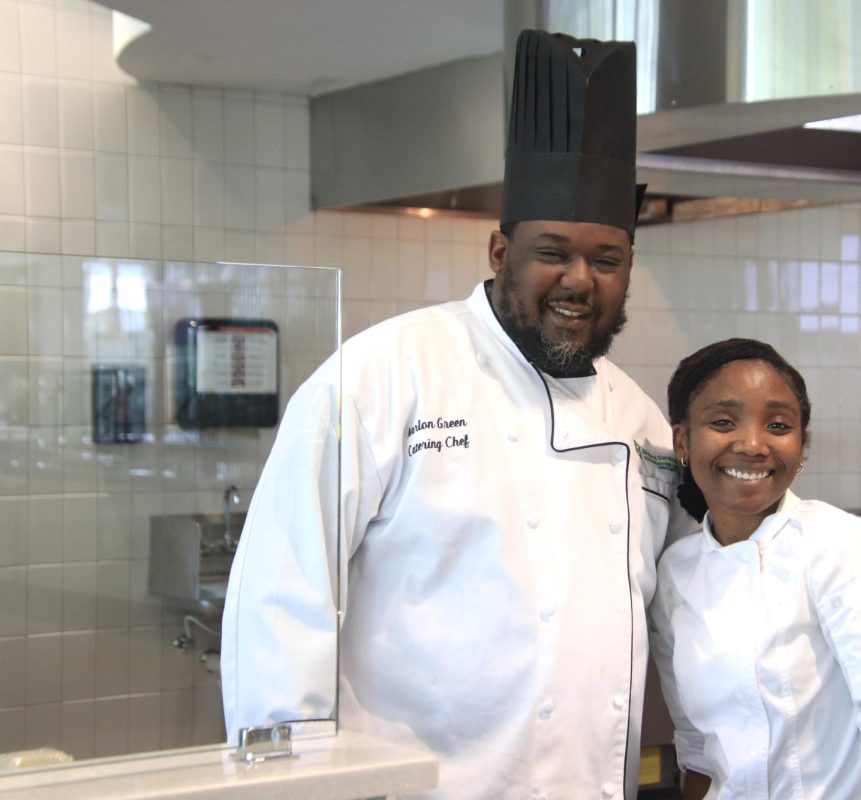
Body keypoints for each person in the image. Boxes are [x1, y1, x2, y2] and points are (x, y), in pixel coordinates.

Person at [221, 30, 690, 799]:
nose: (580, 280)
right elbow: (281, 597)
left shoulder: (637, 421)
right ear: (499, 251)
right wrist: (291, 788)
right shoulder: (381, 377)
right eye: (553, 252)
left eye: (606, 260)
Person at [648, 338, 861, 800]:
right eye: (723, 422)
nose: (752, 444)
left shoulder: (837, 544)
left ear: (801, 444)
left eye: (778, 424)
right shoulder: (675, 575)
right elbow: (698, 752)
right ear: (683, 441)